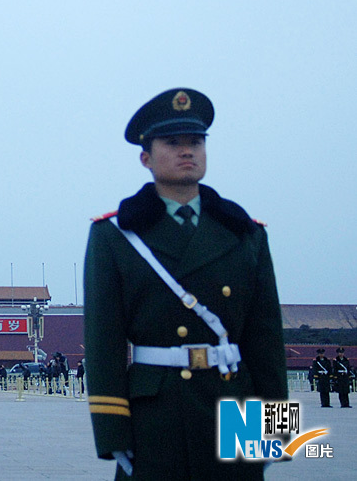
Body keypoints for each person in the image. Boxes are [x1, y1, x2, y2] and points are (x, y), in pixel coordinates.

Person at [84, 88, 287, 479]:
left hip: (235, 404)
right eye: (172, 143)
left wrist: (273, 431)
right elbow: (103, 342)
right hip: (156, 411)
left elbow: (266, 341)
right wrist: (111, 432)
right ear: (145, 157)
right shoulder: (115, 235)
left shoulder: (245, 233)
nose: (187, 152)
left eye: (195, 142)